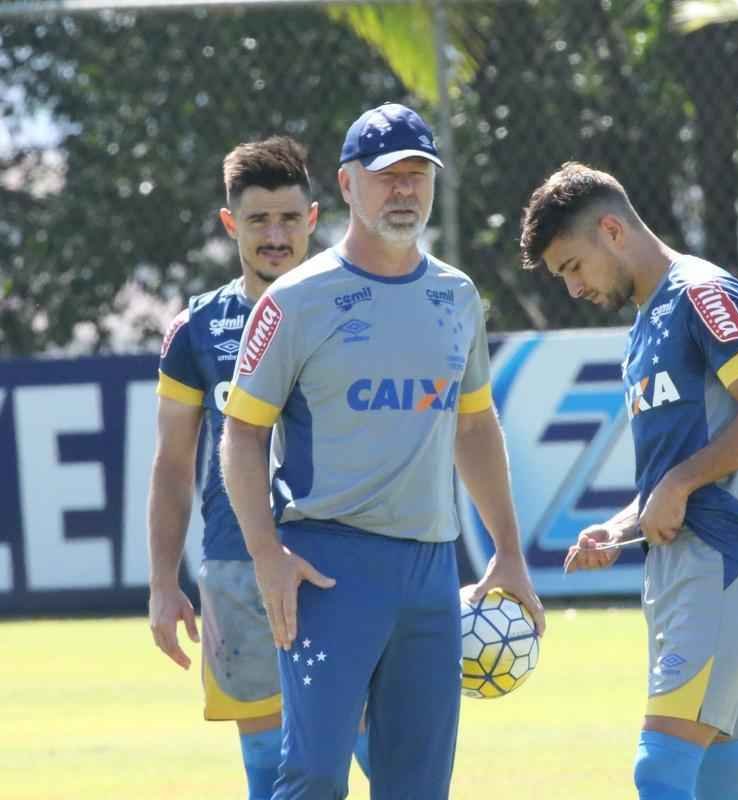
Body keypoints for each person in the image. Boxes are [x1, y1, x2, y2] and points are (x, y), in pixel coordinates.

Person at [219, 102, 544, 800]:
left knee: (417, 785)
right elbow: (241, 433)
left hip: (432, 571)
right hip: (329, 569)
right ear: (345, 185)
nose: (404, 190)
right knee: (313, 776)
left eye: (417, 174)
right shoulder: (295, 300)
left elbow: (476, 426)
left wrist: (508, 550)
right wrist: (265, 554)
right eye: (386, 175)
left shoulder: (457, 295)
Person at [521, 162, 738, 800]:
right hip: (682, 568)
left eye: (573, 267)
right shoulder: (644, 325)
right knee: (722, 776)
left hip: (727, 558)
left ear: (611, 229)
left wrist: (676, 485)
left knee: (662, 767)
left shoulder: (704, 292)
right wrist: (620, 525)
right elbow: (674, 471)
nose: (574, 288)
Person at [147, 136, 373, 800]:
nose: (274, 236)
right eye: (256, 221)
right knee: (270, 769)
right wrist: (164, 583)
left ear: (313, 218)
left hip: (345, 562)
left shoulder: (359, 308)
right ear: (229, 224)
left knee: (380, 756)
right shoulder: (195, 328)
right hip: (237, 569)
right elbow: (171, 464)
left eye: (287, 219)